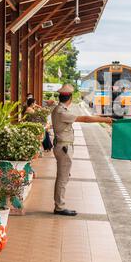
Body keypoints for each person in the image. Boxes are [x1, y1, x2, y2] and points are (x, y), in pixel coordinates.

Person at [51, 84, 112, 216]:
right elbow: (85, 118)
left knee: (63, 176)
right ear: (70, 98)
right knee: (62, 178)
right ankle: (59, 207)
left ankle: (59, 205)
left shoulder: (58, 109)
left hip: (62, 146)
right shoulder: (62, 112)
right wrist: (105, 120)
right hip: (64, 148)